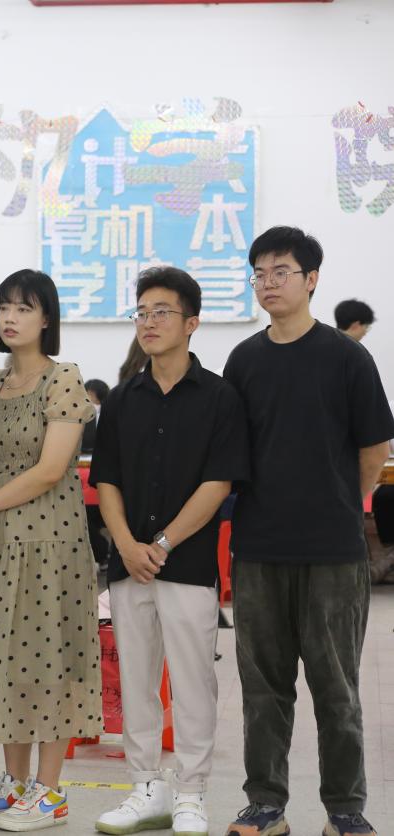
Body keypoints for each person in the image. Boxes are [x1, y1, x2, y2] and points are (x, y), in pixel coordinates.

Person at [221, 227, 392, 836]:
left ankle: (345, 809)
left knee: (336, 688)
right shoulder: (244, 360)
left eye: (281, 272)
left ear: (311, 279)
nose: (268, 283)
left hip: (331, 553)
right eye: (259, 274)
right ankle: (266, 804)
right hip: (258, 549)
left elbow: (374, 447)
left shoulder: (347, 357)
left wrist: (343, 504)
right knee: (262, 688)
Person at [90, 267, 249, 836]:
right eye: (142, 312)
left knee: (192, 682)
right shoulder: (122, 398)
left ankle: (191, 792)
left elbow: (218, 483)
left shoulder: (220, 397)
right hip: (128, 566)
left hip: (186, 565)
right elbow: (106, 479)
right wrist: (127, 546)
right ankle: (145, 789)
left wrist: (160, 544)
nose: (149, 322)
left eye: (162, 312)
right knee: (136, 680)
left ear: (191, 323)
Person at [0, 269, 100, 831]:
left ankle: (50, 792)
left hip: (51, 545)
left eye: (23, 308)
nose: (10, 318)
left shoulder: (64, 379)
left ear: (46, 319)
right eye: (4, 308)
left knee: (50, 661)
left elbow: (50, 469)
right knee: (6, 661)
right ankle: (15, 783)